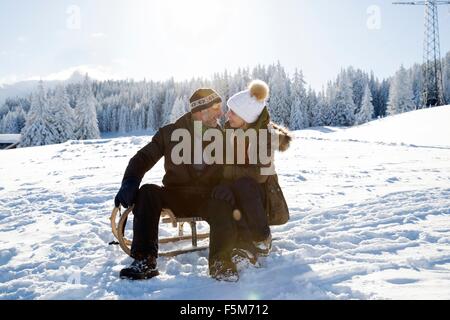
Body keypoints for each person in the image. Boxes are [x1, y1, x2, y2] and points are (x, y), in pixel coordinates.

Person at [114, 88, 239, 282]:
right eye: (215, 108)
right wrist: (130, 181)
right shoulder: (170, 133)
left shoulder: (222, 138)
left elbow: (233, 168)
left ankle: (220, 262)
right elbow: (143, 157)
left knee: (223, 203)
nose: (220, 113)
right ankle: (144, 259)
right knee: (147, 192)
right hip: (176, 194)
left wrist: (226, 185)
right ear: (200, 111)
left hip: (208, 196)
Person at [222, 80, 292, 265]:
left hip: (260, 195)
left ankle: (262, 237)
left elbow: (260, 174)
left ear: (246, 117)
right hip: (240, 191)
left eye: (232, 112)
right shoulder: (229, 131)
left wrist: (228, 171)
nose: (227, 114)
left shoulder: (265, 136)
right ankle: (240, 239)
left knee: (242, 184)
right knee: (225, 188)